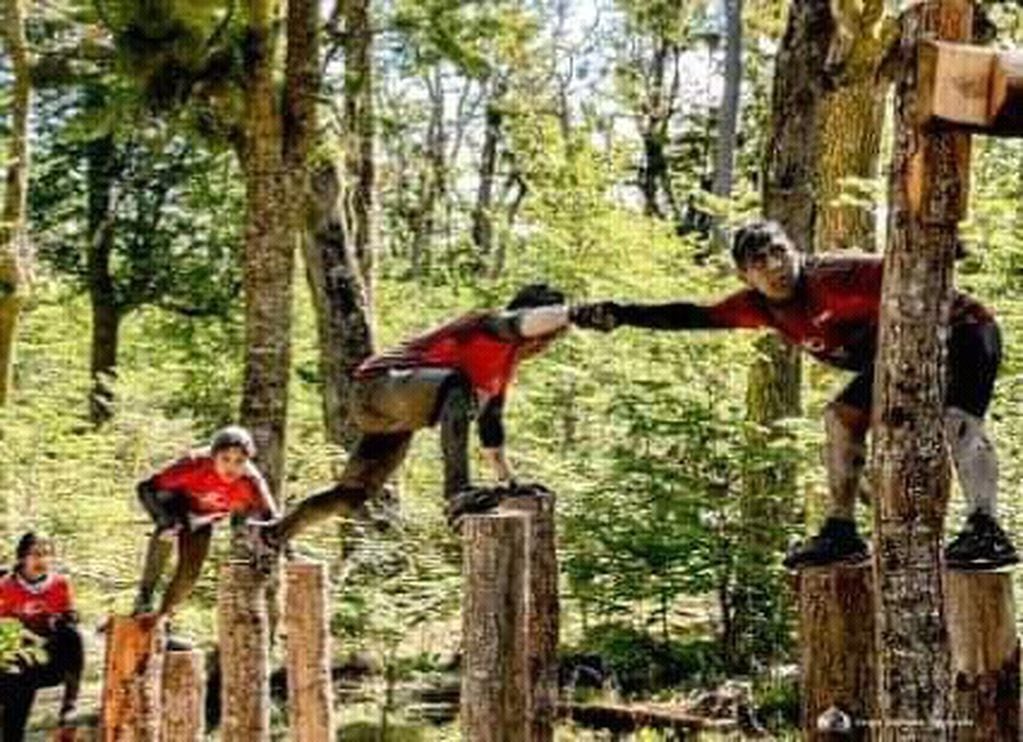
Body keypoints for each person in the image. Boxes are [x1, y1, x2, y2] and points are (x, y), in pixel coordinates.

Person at [573, 219, 1017, 570]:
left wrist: (941, 246)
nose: (774, 266)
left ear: (795, 251)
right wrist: (622, 314)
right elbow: (693, 314)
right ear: (745, 275)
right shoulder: (756, 306)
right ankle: (841, 530)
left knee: (959, 422)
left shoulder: (835, 276)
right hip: (897, 356)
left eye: (779, 252)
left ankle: (986, 526)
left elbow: (905, 263)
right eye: (759, 261)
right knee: (841, 417)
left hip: (964, 331)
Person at [267, 283, 577, 545]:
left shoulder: (502, 367)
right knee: (457, 386)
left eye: (552, 340)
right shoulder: (488, 324)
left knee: (353, 494)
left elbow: (490, 432)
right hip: (378, 386)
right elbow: (513, 325)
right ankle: (457, 494)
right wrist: (573, 313)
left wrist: (510, 483)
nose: (544, 346)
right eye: (546, 337)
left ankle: (272, 536)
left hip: (394, 413)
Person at [133, 425, 278, 617]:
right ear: (213, 456)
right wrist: (163, 519)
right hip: (176, 506)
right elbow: (146, 488)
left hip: (203, 519)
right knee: (169, 531)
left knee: (190, 574)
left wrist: (267, 551)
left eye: (239, 461)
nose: (231, 467)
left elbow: (272, 519)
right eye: (225, 459)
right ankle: (145, 596)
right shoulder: (194, 464)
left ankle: (162, 619)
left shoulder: (251, 481)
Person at [0, 533, 84, 740]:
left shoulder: (60, 584)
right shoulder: (5, 586)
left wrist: (65, 619)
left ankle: (70, 704)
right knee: (17, 682)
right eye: (36, 555)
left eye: (47, 555)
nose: (42, 560)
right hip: (16, 661)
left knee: (72, 635)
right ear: (22, 557)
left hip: (49, 659)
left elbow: (68, 621)